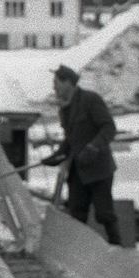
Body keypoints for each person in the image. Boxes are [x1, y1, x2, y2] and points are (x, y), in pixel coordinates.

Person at [42, 65, 121, 244]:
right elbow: (70, 140)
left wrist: (93, 148)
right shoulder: (64, 109)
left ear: (68, 83)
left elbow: (109, 127)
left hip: (99, 170)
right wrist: (56, 156)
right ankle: (79, 254)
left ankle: (119, 251)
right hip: (78, 171)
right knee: (77, 216)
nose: (54, 88)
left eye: (56, 83)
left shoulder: (91, 100)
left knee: (104, 214)